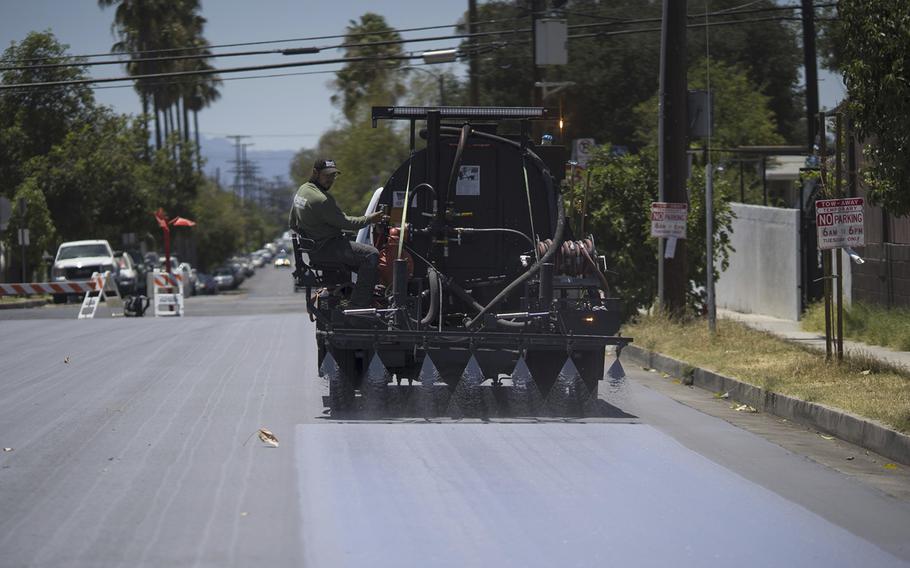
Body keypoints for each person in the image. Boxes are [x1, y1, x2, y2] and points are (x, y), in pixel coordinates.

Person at [288, 158, 385, 307]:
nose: (330, 180)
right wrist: (371, 218)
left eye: (333, 175)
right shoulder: (321, 200)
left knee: (359, 253)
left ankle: (358, 293)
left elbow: (292, 223)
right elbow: (349, 223)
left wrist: (313, 235)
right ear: (315, 173)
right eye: (327, 175)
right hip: (328, 248)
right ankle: (359, 305)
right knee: (371, 254)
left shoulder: (302, 191)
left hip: (316, 250)